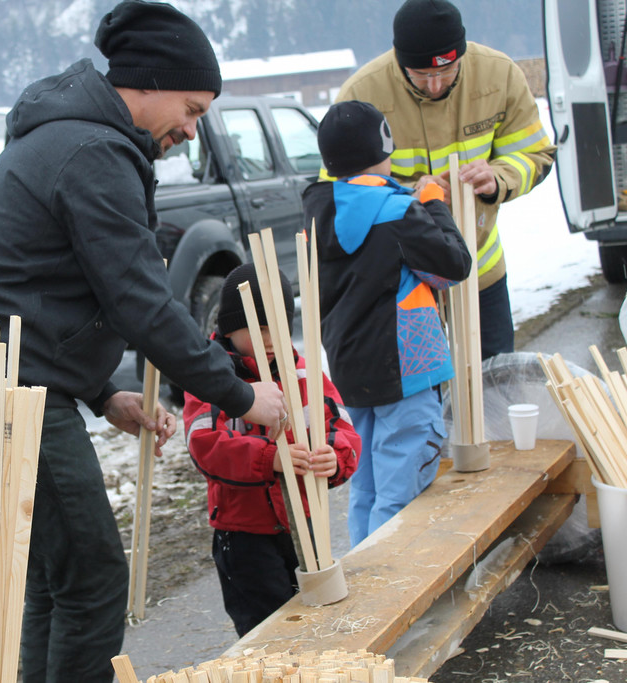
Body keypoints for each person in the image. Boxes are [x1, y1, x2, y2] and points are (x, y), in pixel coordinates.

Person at [0, 1, 287, 679]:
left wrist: (103, 391)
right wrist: (240, 395)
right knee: (95, 576)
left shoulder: (74, 139)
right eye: (190, 109)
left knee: (58, 578)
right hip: (15, 389)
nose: (192, 131)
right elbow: (142, 302)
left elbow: (43, 286)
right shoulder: (92, 151)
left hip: (8, 378)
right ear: (147, 82)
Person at [334, 0, 555, 360]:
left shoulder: (499, 75)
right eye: (421, 74)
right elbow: (337, 195)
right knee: (423, 400)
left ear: (462, 56)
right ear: (398, 60)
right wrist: (408, 197)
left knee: (494, 381)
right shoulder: (361, 95)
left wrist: (498, 177)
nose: (435, 84)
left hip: (479, 268)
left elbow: (536, 154)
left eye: (447, 71)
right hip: (403, 280)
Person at [302, 100, 472, 546]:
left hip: (351, 368)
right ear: (385, 148)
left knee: (368, 489)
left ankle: (364, 585)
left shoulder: (319, 212)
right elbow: (452, 267)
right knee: (403, 497)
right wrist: (434, 205)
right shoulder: (398, 211)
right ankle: (394, 596)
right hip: (408, 370)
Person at [183, 263, 360, 637]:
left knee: (320, 621)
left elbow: (340, 426)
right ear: (230, 327)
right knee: (267, 633)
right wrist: (270, 457)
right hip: (244, 535)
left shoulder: (303, 372)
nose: (269, 339)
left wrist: (335, 455)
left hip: (307, 523)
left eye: (276, 328)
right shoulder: (212, 378)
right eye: (259, 328)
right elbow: (204, 446)